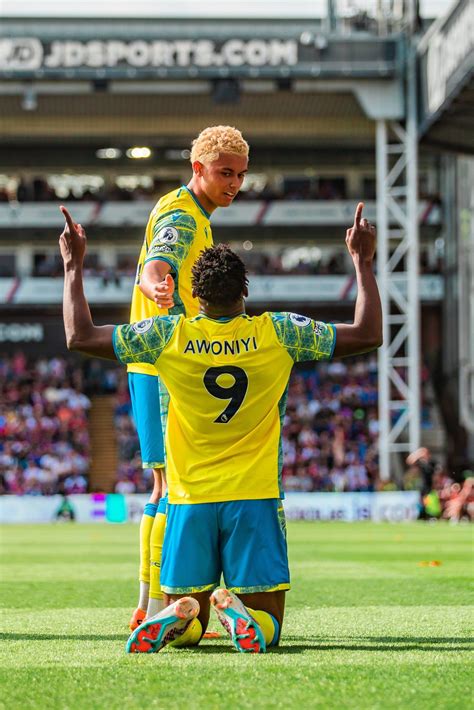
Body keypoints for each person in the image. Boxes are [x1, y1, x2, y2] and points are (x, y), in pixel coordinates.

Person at [59, 201, 382, 654]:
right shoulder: (280, 332)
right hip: (254, 496)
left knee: (189, 627)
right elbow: (367, 333)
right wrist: (363, 263)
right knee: (269, 622)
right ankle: (246, 619)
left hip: (190, 499)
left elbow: (80, 335)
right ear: (244, 291)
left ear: (196, 293)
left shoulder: (167, 336)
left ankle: (180, 618)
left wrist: (74, 266)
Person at [127, 126, 249, 628]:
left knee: (167, 485)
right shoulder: (181, 213)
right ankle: (154, 609)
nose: (235, 183)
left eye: (241, 174)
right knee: (166, 487)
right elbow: (158, 259)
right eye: (225, 173)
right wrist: (158, 286)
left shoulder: (200, 215)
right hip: (162, 365)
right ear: (197, 169)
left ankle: (148, 605)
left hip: (163, 364)